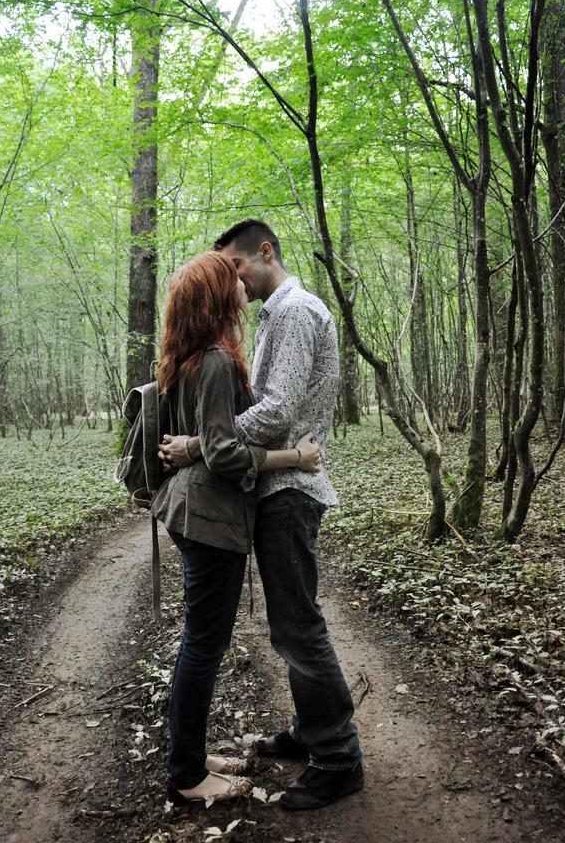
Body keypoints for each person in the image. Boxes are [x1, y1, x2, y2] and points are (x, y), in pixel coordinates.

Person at [161, 220, 364, 811]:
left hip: (290, 485)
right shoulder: (274, 316)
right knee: (288, 625)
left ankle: (338, 757)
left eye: (237, 267)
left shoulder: (297, 310)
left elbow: (276, 411)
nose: (234, 280)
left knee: (297, 626)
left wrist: (201, 442)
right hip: (270, 485)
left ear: (265, 252)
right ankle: (310, 731)